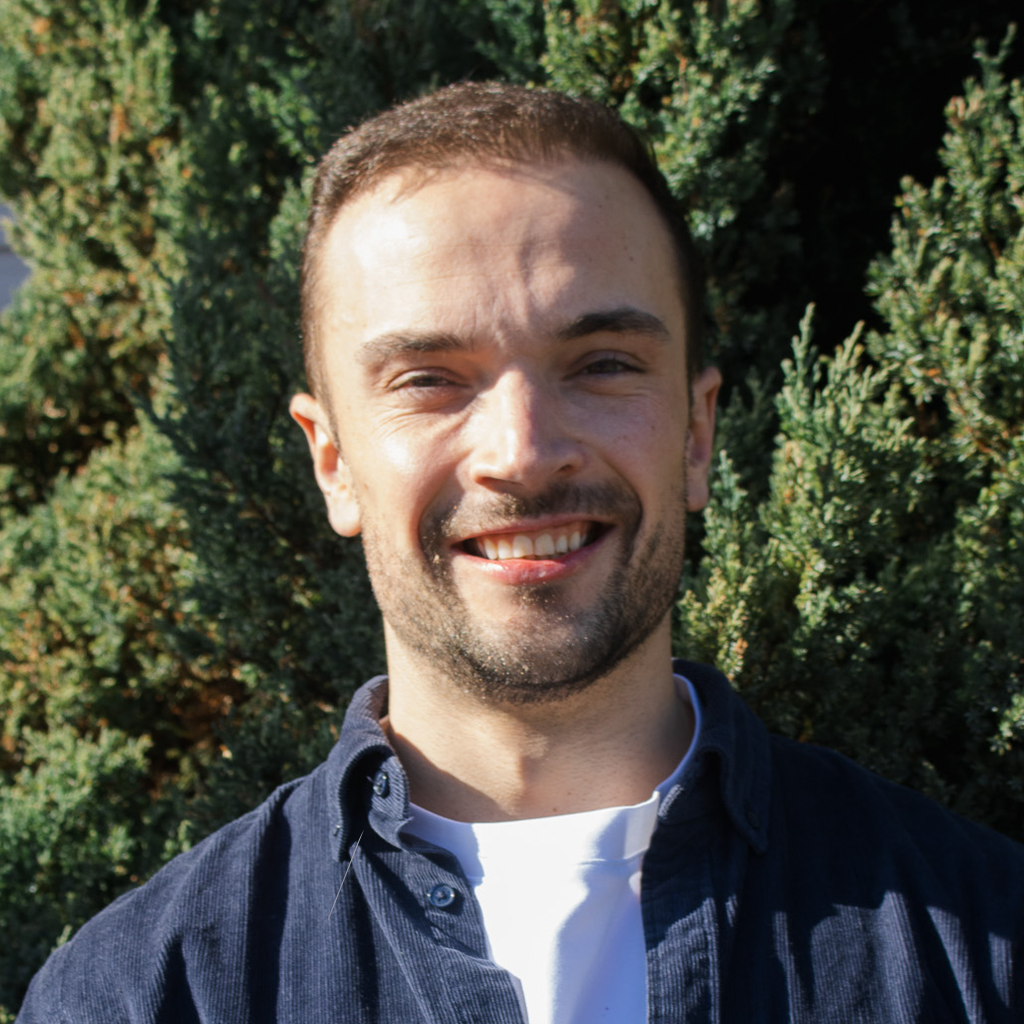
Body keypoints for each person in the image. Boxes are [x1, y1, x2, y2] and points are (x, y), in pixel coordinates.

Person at [17, 81, 1024, 1024]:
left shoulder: (982, 946)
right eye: (428, 379)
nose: (523, 452)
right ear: (332, 462)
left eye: (602, 364)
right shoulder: (151, 992)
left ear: (696, 433)